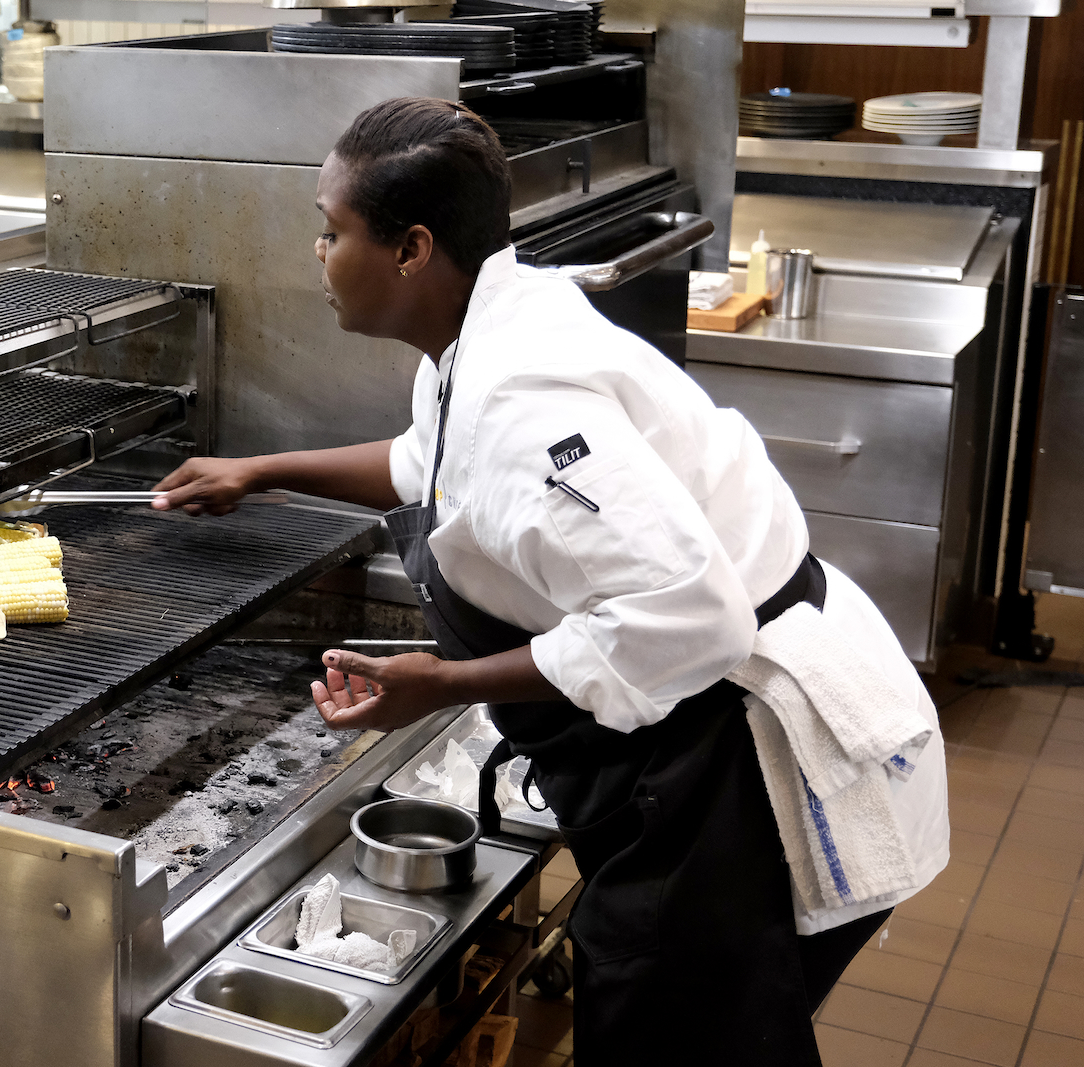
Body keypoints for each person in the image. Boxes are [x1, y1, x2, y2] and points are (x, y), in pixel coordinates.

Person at [152, 97, 949, 1065]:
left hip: (743, 750)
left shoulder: (525, 399)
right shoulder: (485, 324)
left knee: (676, 1030)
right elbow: (432, 462)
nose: (317, 254)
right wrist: (266, 470)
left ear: (409, 249)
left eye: (331, 232)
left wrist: (439, 684)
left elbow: (695, 618)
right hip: (705, 731)